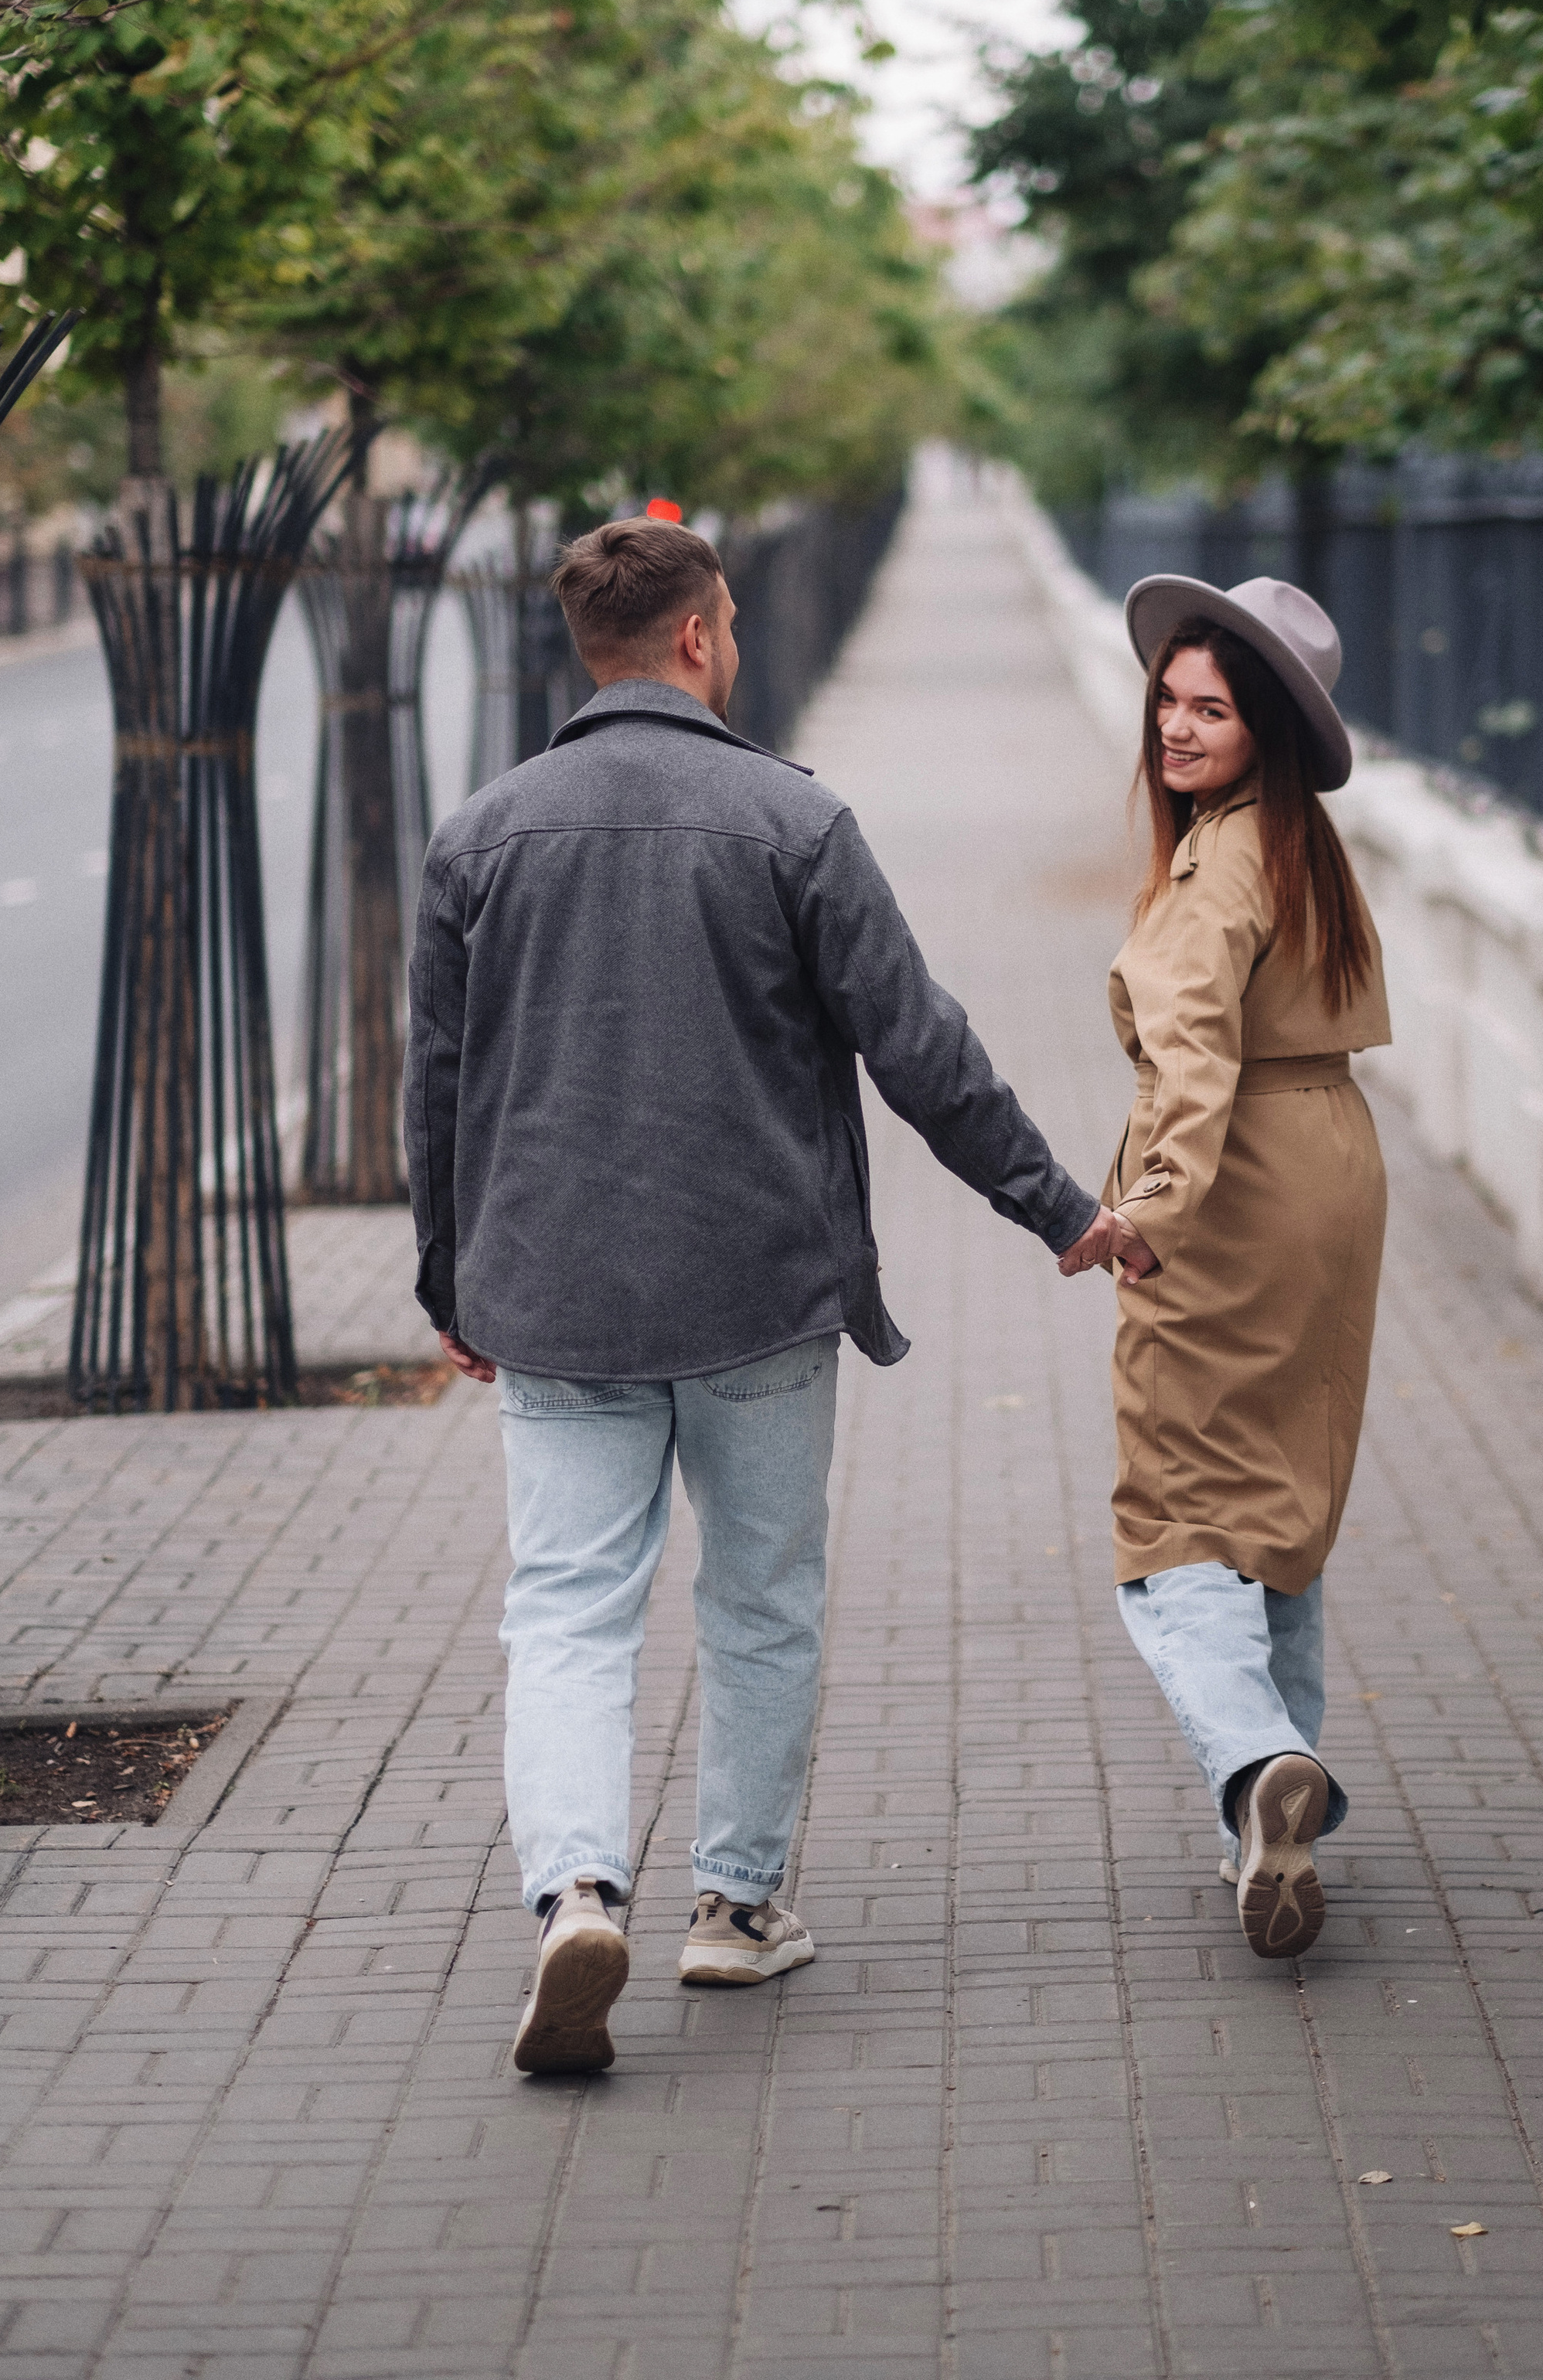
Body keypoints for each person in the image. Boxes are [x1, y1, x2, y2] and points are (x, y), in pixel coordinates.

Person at [404, 515, 1120, 2075]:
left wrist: (445, 1274)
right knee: (760, 1604)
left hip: (554, 1294)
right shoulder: (787, 821)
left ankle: (577, 1889)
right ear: (695, 639)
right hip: (758, 1287)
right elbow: (916, 1045)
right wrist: (1054, 1208)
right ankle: (732, 1909)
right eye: (722, 619)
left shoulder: (480, 836)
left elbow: (439, 1085)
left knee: (568, 1615)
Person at [1096, 572, 1391, 1962]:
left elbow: (1197, 1046)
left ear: (1263, 724)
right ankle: (1272, 1820)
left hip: (1237, 1185)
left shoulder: (1215, 866)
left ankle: (1257, 1763)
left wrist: (1150, 1205)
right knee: (1283, 1489)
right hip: (1332, 1160)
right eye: (1169, 698)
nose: (1177, 724)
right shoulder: (1297, 842)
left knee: (1175, 1515)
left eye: (1211, 707)